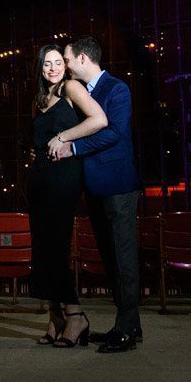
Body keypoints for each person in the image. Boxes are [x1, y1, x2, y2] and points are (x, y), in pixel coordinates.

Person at [53, 36, 142, 353]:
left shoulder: (117, 89)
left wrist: (73, 146)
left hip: (118, 185)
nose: (63, 64)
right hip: (95, 186)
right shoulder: (80, 95)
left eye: (66, 58)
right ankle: (130, 325)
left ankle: (126, 330)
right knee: (110, 256)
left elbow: (115, 133)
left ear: (81, 59)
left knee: (124, 257)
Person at [26, 44, 107, 347]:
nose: (53, 68)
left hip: (64, 176)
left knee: (56, 246)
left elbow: (98, 120)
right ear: (40, 68)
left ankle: (76, 316)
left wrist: (63, 136)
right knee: (42, 248)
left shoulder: (71, 88)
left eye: (58, 62)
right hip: (39, 178)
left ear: (65, 65)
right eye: (46, 64)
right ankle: (55, 316)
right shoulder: (38, 99)